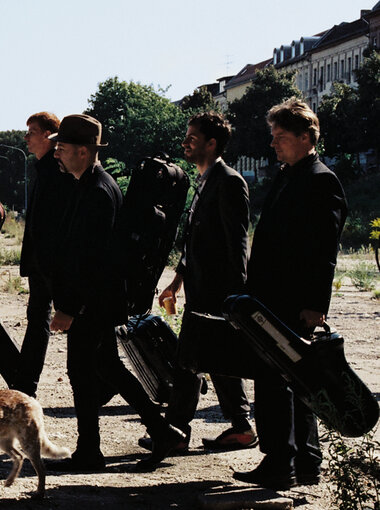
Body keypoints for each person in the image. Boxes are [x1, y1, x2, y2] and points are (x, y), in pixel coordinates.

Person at [45, 114, 184, 473]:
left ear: (82, 150)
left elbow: (92, 259)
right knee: (104, 368)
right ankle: (150, 433)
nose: (56, 153)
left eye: (61, 148)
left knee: (85, 370)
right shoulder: (86, 184)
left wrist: (70, 308)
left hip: (94, 302)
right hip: (96, 301)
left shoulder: (98, 192)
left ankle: (94, 449)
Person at [234, 98, 347, 490]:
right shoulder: (289, 175)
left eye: (281, 137)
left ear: (305, 137)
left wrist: (316, 305)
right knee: (285, 381)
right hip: (271, 298)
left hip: (293, 302)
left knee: (285, 381)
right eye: (273, 137)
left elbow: (324, 251)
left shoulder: (320, 179)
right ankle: (297, 461)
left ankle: (286, 462)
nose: (274, 144)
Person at [147, 111, 257, 454]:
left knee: (189, 362)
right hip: (200, 291)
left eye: (192, 138)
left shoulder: (229, 182)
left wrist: (234, 299)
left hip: (218, 294)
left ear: (212, 144)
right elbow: (194, 242)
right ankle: (239, 427)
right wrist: (176, 282)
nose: (185, 143)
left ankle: (177, 431)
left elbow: (236, 244)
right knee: (211, 361)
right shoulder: (205, 181)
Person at [16, 112, 69, 397]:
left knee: (54, 319)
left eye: (32, 131)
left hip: (50, 264)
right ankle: (26, 384)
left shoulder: (55, 171)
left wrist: (47, 262)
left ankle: (27, 384)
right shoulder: (42, 168)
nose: (26, 138)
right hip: (42, 264)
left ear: (49, 135)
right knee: (37, 318)